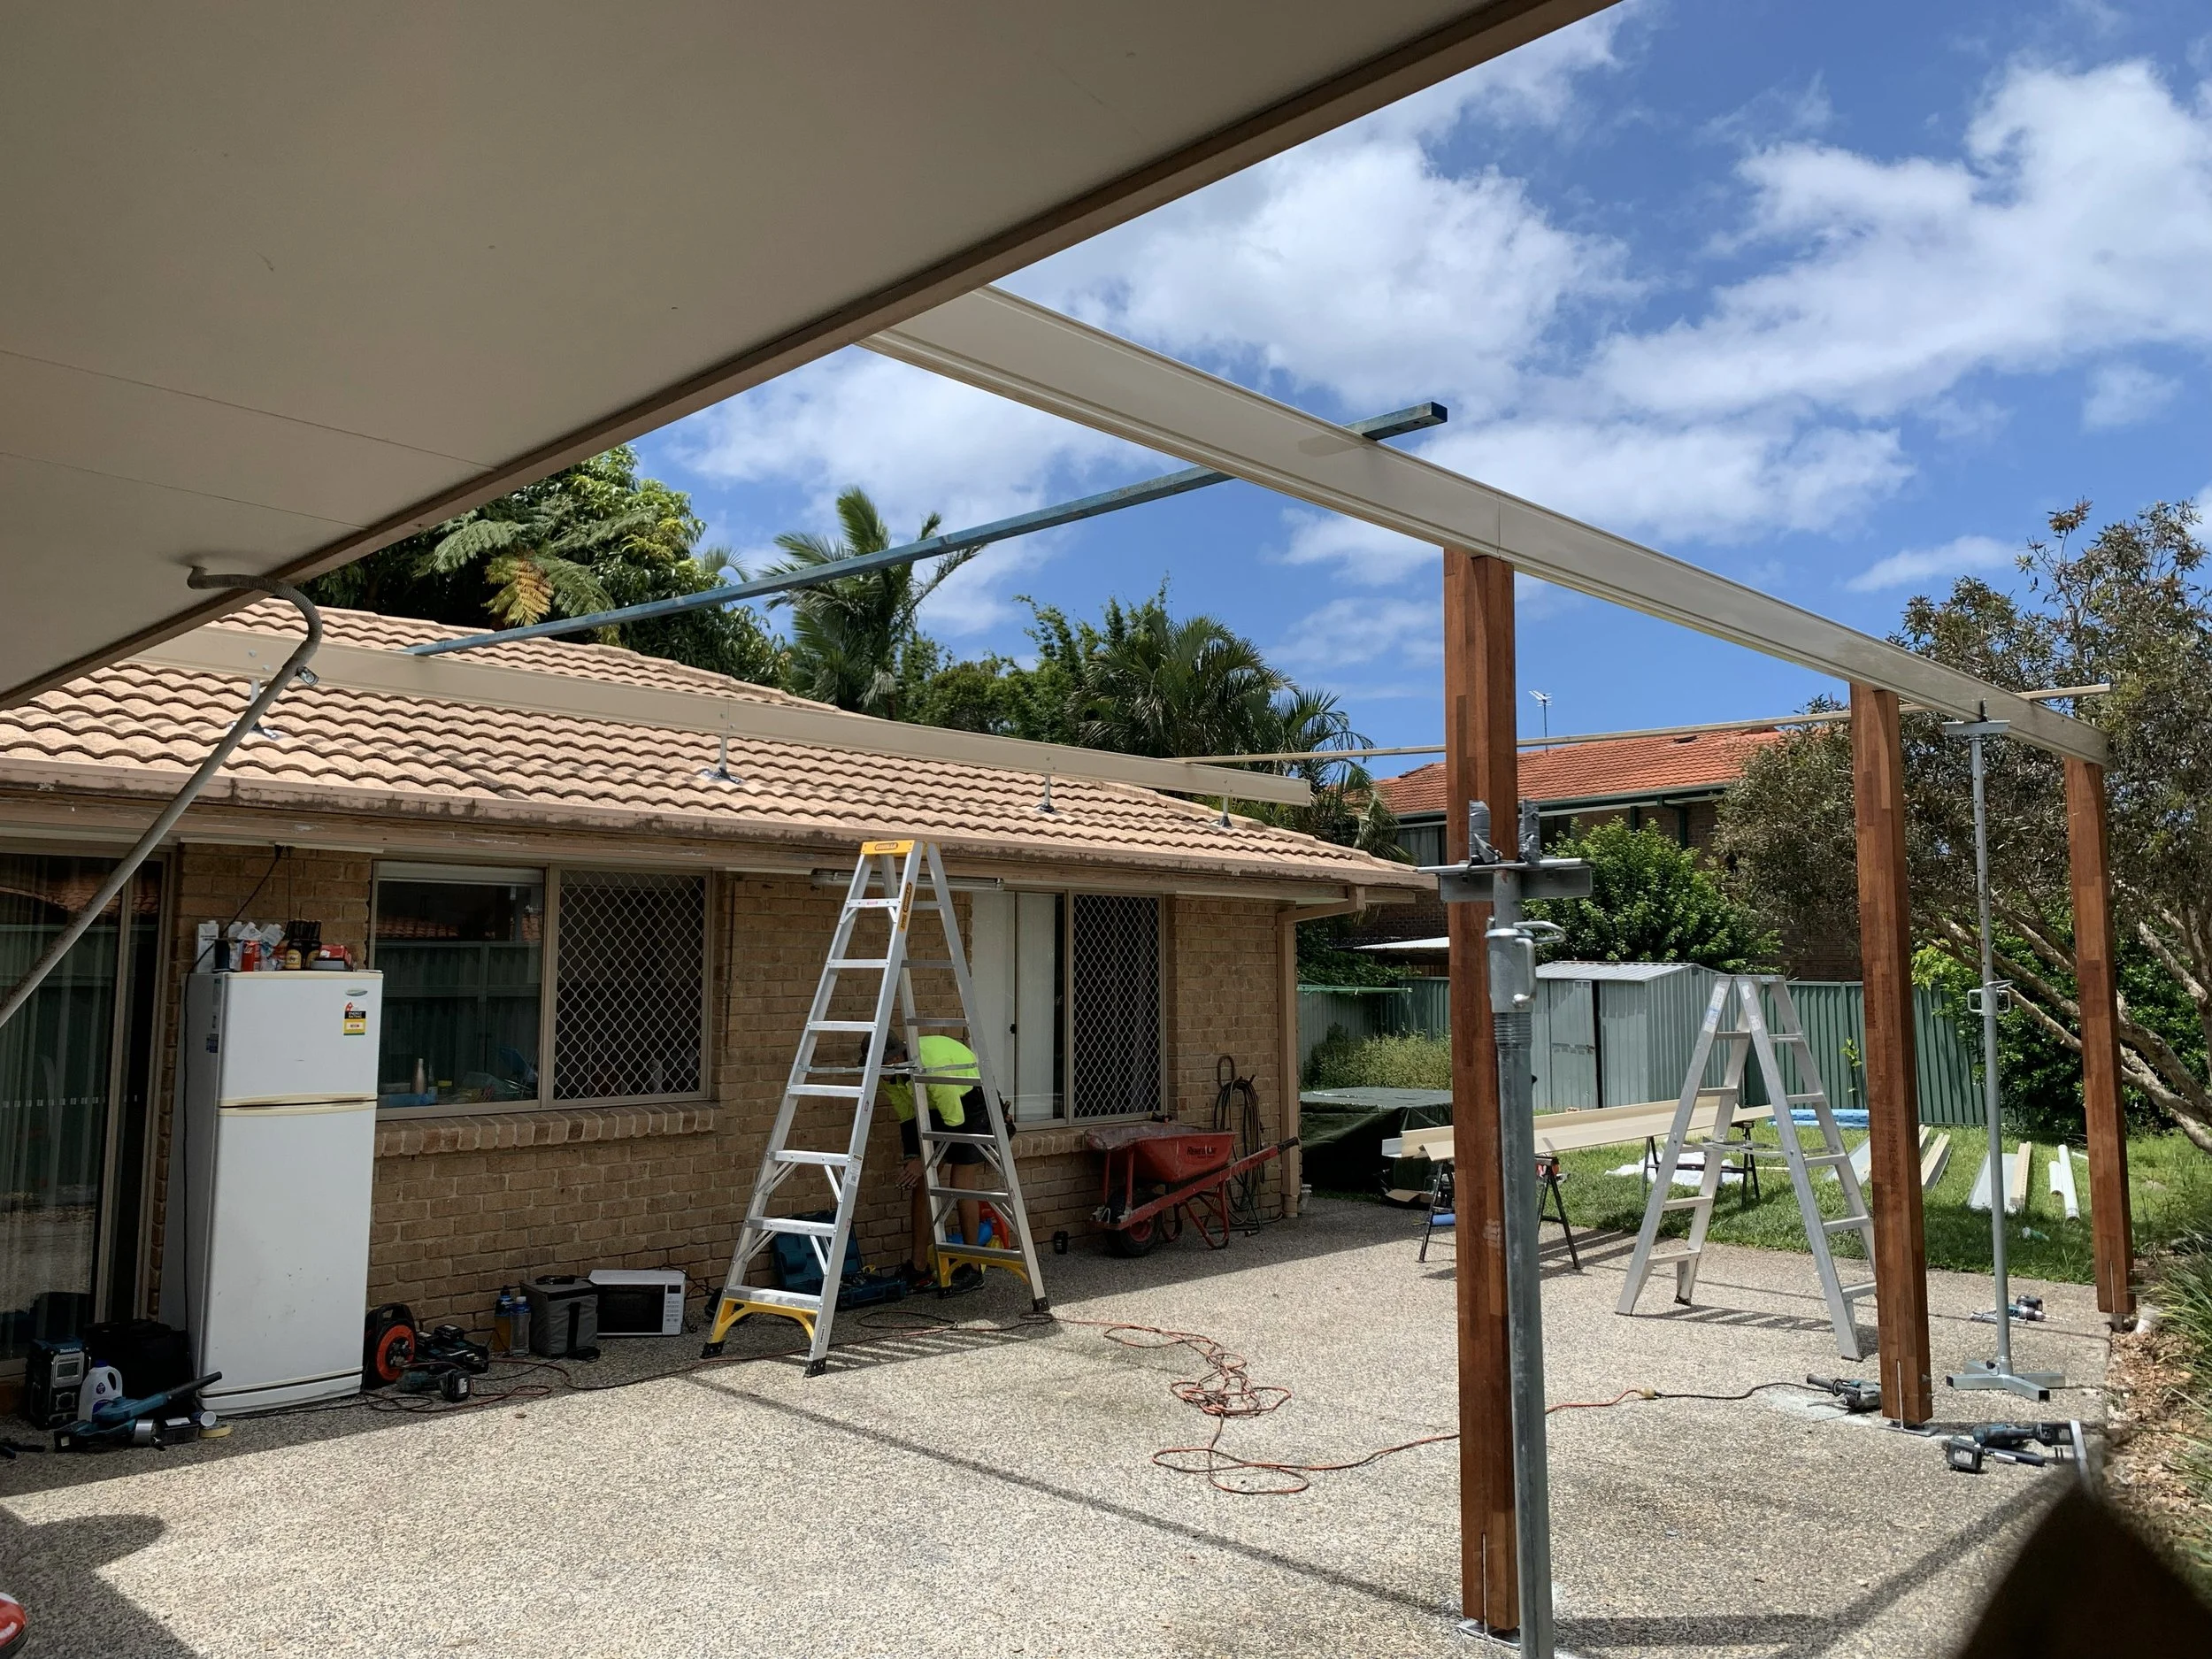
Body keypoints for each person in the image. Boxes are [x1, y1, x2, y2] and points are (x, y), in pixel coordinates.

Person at [880, 1031, 992, 1292]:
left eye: (881, 1066)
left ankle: (974, 1268)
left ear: (896, 1057)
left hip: (968, 1102)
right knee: (923, 1181)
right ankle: (919, 1267)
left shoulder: (933, 1067)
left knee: (960, 1182)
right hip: (935, 1106)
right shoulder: (889, 1074)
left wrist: (924, 1160)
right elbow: (908, 1118)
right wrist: (914, 1158)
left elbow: (955, 1122)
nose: (879, 1074)